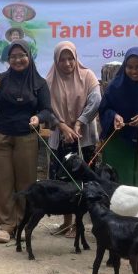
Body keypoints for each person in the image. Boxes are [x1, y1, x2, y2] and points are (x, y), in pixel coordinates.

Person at [0, 40, 52, 244]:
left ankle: (23, 224)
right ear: (8, 59)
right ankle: (5, 225)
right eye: (13, 56)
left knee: (26, 182)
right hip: (2, 136)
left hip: (27, 136)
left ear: (29, 57)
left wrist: (38, 118)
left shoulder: (39, 83)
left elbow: (47, 110)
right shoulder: (0, 79)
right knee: (2, 182)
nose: (17, 60)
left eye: (22, 55)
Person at [46, 41, 101, 237]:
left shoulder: (88, 75)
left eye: (71, 58)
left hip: (83, 138)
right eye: (62, 59)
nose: (67, 63)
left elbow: (96, 100)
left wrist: (79, 122)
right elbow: (45, 107)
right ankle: (66, 222)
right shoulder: (49, 80)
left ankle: (80, 225)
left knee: (83, 181)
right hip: (59, 137)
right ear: (56, 61)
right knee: (62, 181)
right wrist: (62, 126)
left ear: (76, 58)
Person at [98, 46, 138, 189]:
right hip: (117, 143)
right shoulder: (115, 86)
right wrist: (114, 116)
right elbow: (104, 108)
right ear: (124, 67)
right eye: (129, 67)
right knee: (115, 185)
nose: (134, 71)